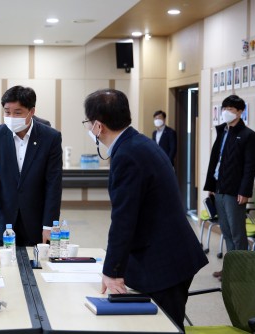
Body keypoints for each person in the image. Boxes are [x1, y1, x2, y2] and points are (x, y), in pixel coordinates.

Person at [83, 89, 208, 331]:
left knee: (165, 327)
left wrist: (111, 272)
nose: (88, 128)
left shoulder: (127, 155)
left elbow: (124, 219)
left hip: (163, 263)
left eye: (88, 123)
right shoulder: (138, 143)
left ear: (98, 126)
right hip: (169, 254)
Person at [0, 85, 62, 247]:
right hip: (5, 220)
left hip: (37, 220)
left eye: (17, 112)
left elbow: (53, 185)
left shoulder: (50, 137)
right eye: (7, 112)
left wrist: (49, 225)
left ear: (31, 112)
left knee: (37, 265)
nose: (11, 117)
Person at [204, 95, 255, 281]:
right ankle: (230, 268)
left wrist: (245, 191)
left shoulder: (249, 136)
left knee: (237, 233)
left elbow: (250, 167)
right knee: (226, 231)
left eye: (231, 109)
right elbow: (216, 160)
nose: (226, 112)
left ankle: (241, 271)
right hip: (219, 187)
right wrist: (212, 185)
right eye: (225, 108)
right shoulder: (223, 132)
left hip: (235, 191)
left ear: (240, 111)